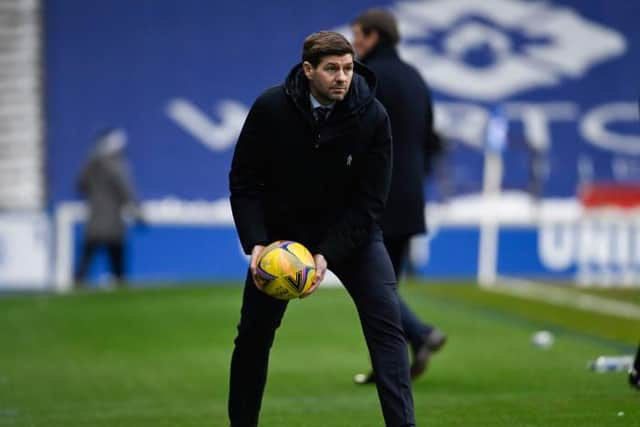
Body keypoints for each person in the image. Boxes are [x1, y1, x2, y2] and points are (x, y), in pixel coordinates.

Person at [228, 31, 416, 426]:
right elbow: (245, 180)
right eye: (332, 69)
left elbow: (371, 202)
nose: (342, 78)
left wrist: (326, 254)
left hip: (354, 236)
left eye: (348, 68)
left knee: (388, 332)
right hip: (281, 240)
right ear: (308, 70)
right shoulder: (269, 108)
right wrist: (257, 243)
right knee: (252, 339)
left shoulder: (373, 116)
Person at [351, 8, 447, 385]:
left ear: (374, 36)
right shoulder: (415, 77)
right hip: (411, 198)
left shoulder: (364, 78)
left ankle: (421, 333)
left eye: (358, 34)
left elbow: (356, 139)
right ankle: (391, 363)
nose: (354, 42)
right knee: (385, 287)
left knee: (370, 287)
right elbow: (432, 141)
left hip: (377, 199)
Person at [74, 128, 140, 287]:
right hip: (111, 220)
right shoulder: (116, 166)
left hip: (96, 220)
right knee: (114, 254)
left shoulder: (91, 164)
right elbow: (126, 190)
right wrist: (138, 211)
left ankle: (78, 283)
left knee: (90, 253)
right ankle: (119, 283)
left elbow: (80, 185)